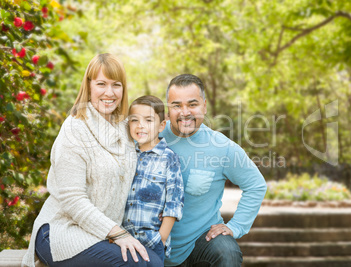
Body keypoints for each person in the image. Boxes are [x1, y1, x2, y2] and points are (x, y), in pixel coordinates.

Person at [22, 54, 162, 267]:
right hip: (62, 232)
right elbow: (72, 200)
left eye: (116, 85)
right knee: (141, 264)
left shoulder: (125, 126)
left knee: (154, 261)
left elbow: (158, 128)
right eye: (101, 84)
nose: (109, 92)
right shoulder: (74, 129)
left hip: (102, 233)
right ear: (89, 86)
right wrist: (119, 234)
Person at [160, 74, 268, 266]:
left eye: (192, 104)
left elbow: (256, 185)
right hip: (152, 244)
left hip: (200, 242)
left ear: (204, 106)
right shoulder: (150, 136)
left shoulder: (222, 147)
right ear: (168, 110)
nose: (185, 112)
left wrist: (235, 226)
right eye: (177, 105)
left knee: (227, 252)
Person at [123, 95, 184, 262]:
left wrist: (161, 239)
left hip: (151, 240)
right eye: (134, 120)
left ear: (161, 125)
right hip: (122, 239)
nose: (140, 125)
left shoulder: (168, 158)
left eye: (148, 120)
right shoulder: (126, 155)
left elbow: (174, 203)